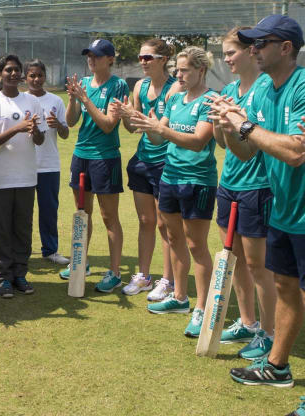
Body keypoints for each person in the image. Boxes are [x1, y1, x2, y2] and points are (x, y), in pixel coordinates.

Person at [208, 14, 305, 400]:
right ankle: (277, 366)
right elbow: (248, 154)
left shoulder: (302, 86)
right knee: (284, 288)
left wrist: (245, 126)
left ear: (285, 48)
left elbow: (296, 152)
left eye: (260, 44)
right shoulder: (263, 89)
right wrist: (230, 128)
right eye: (251, 44)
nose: (253, 50)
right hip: (284, 209)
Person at [130, 46, 217, 337]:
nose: (179, 75)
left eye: (185, 70)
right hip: (170, 178)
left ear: (201, 70)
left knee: (196, 245)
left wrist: (161, 130)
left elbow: (198, 142)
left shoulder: (210, 101)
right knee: (173, 236)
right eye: (178, 70)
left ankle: (202, 309)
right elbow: (157, 139)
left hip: (197, 181)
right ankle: (180, 297)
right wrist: (145, 124)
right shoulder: (176, 98)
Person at [212, 27, 277, 360]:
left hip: (258, 187)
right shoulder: (228, 90)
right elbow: (227, 145)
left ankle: (269, 332)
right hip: (229, 185)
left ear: (251, 52)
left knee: (258, 265)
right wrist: (220, 124)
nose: (226, 59)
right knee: (233, 259)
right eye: (224, 54)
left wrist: (235, 125)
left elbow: (252, 147)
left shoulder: (267, 88)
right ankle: (248, 322)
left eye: (230, 52)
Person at [111, 38, 180, 298]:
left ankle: (168, 280)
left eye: (148, 57)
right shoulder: (139, 86)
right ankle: (144, 277)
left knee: (165, 224)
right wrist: (126, 115)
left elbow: (160, 134)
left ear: (163, 59)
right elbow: (132, 129)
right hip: (142, 161)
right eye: (141, 57)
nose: (142, 61)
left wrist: (138, 119)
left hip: (167, 162)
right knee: (145, 221)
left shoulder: (174, 89)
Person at [62, 39, 129, 293]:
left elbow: (109, 124)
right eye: (89, 55)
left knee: (108, 216)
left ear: (110, 59)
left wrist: (84, 98)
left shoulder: (118, 85)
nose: (92, 59)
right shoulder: (85, 85)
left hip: (105, 158)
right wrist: (73, 99)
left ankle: (114, 273)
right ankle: (82, 263)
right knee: (83, 212)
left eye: (97, 56)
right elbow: (71, 122)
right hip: (81, 155)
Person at [0, 54, 46, 299]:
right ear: (0, 74)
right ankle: (3, 278)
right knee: (0, 229)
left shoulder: (31, 101)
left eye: (17, 70)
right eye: (8, 70)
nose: (13, 74)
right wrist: (17, 128)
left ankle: (19, 274)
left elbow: (39, 140)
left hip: (26, 176)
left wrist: (35, 129)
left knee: (22, 228)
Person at [24, 59, 70, 265]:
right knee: (23, 212)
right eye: (32, 75)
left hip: (49, 164)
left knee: (49, 210)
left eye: (39, 75)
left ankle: (50, 250)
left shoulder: (56, 101)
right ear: (26, 77)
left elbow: (66, 133)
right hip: (22, 165)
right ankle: (22, 250)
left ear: (45, 76)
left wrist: (58, 124)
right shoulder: (20, 99)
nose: (36, 79)